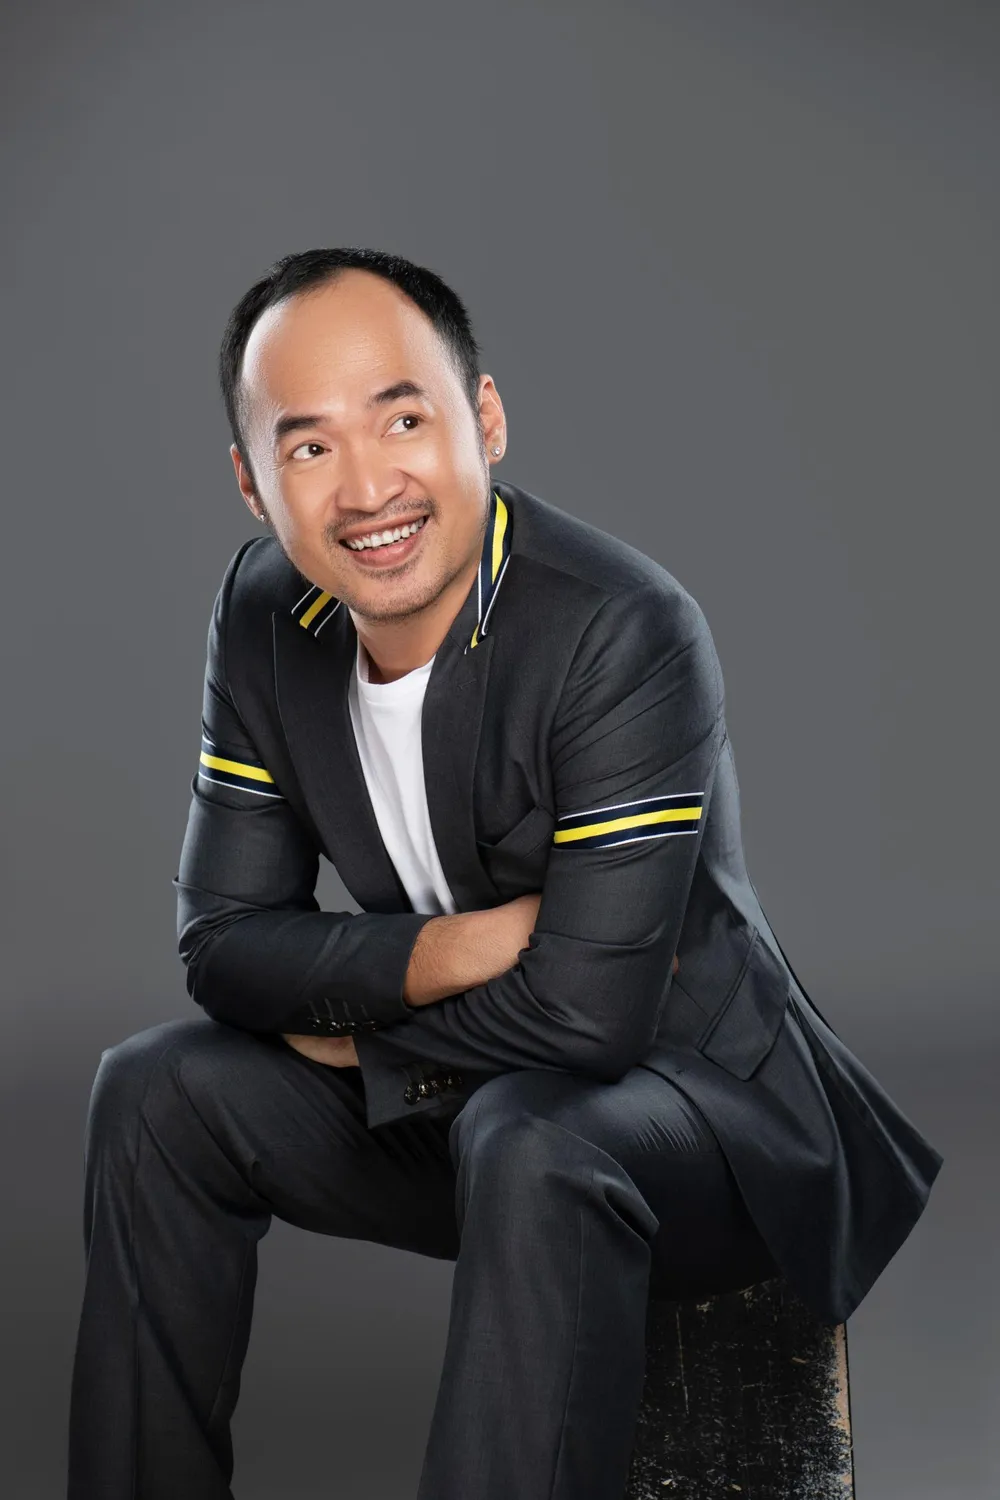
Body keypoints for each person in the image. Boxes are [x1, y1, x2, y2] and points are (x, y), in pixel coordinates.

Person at [67, 247, 943, 1500]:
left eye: (402, 419)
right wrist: (455, 948)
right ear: (253, 484)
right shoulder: (264, 612)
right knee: (152, 1091)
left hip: (701, 1129)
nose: (367, 487)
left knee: (532, 1135)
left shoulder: (619, 627)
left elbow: (594, 1020)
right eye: (307, 446)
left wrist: (359, 1040)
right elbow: (222, 945)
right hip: (469, 1100)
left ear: (483, 418)